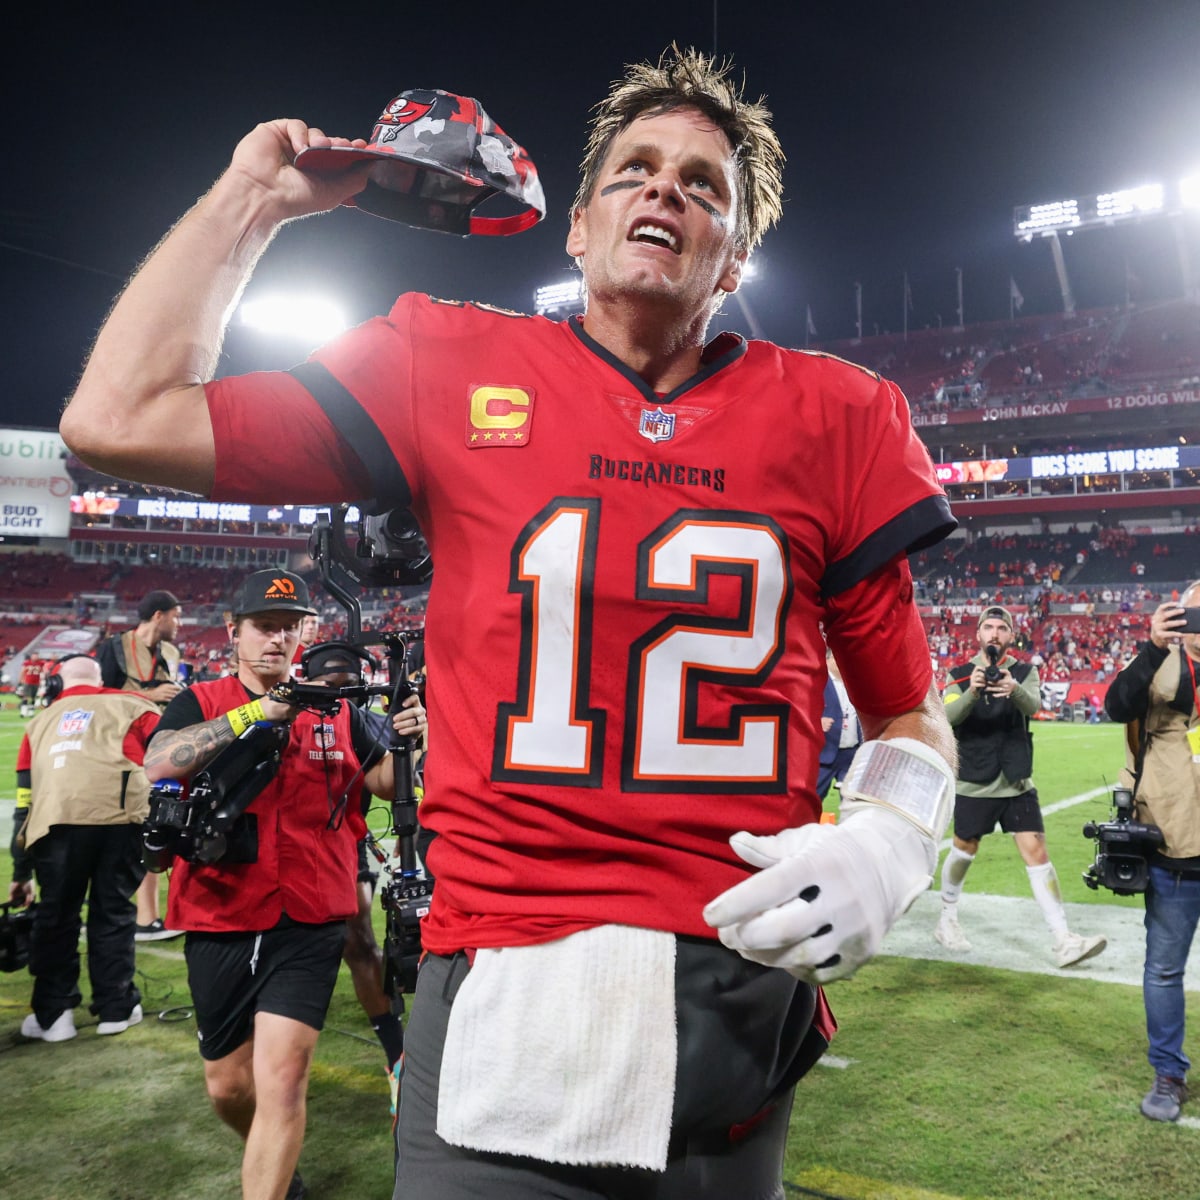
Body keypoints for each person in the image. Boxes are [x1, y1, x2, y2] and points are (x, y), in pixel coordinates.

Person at [62, 47, 959, 1200]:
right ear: (576, 227)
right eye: (636, 169)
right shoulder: (443, 360)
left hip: (733, 1005)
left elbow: (906, 715)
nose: (666, 190)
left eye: (703, 184)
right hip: (504, 1002)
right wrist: (258, 202)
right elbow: (117, 417)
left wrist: (892, 837)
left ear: (734, 259)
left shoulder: (838, 415)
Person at [143, 569, 425, 1200]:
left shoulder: (341, 711)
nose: (277, 641)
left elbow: (385, 783)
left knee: (285, 1077)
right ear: (233, 632)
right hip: (220, 911)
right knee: (229, 1087)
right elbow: (159, 760)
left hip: (312, 918)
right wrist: (258, 713)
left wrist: (410, 742)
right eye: (264, 628)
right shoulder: (205, 700)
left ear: (307, 633)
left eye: (289, 628)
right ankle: (275, 1166)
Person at [935, 605, 1107, 968]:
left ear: (1011, 636)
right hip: (975, 779)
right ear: (978, 634)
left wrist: (1012, 689)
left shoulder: (1026, 672)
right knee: (964, 850)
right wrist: (972, 691)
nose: (994, 634)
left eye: (1001, 628)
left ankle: (1063, 939)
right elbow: (948, 718)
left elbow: (1034, 706)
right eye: (989, 628)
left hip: (1016, 778)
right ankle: (947, 918)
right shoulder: (959, 674)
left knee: (1037, 851)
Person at [8, 654, 161, 1042]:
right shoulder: (138, 707)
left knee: (56, 916)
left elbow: (24, 803)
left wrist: (20, 871)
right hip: (123, 820)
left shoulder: (39, 723)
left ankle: (54, 1015)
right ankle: (116, 1008)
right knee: (113, 912)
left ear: (57, 682)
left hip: (56, 823)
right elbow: (168, 763)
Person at [301, 639, 424, 1075]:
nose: (338, 692)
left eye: (349, 684)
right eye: (328, 684)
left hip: (341, 848)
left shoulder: (354, 717)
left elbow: (386, 785)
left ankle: (396, 1052)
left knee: (359, 942)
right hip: (284, 851)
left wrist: (408, 738)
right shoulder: (284, 711)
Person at [1105, 587, 1200, 1122]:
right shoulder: (1159, 665)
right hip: (1174, 844)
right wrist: (1153, 646)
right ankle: (1168, 1073)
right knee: (1164, 970)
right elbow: (1115, 705)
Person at [98, 588, 186, 941]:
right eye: (175, 616)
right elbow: (97, 697)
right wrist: (147, 696)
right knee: (138, 829)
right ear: (158, 616)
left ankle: (149, 917)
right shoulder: (113, 647)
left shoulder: (171, 652)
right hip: (121, 749)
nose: (179, 623)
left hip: (160, 746)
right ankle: (143, 917)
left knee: (158, 828)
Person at [816, 650, 861, 801]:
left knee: (852, 800)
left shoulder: (855, 683)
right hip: (825, 753)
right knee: (813, 799)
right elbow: (799, 708)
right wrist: (816, 722)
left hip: (851, 754)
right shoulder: (817, 681)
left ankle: (851, 825)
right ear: (829, 659)